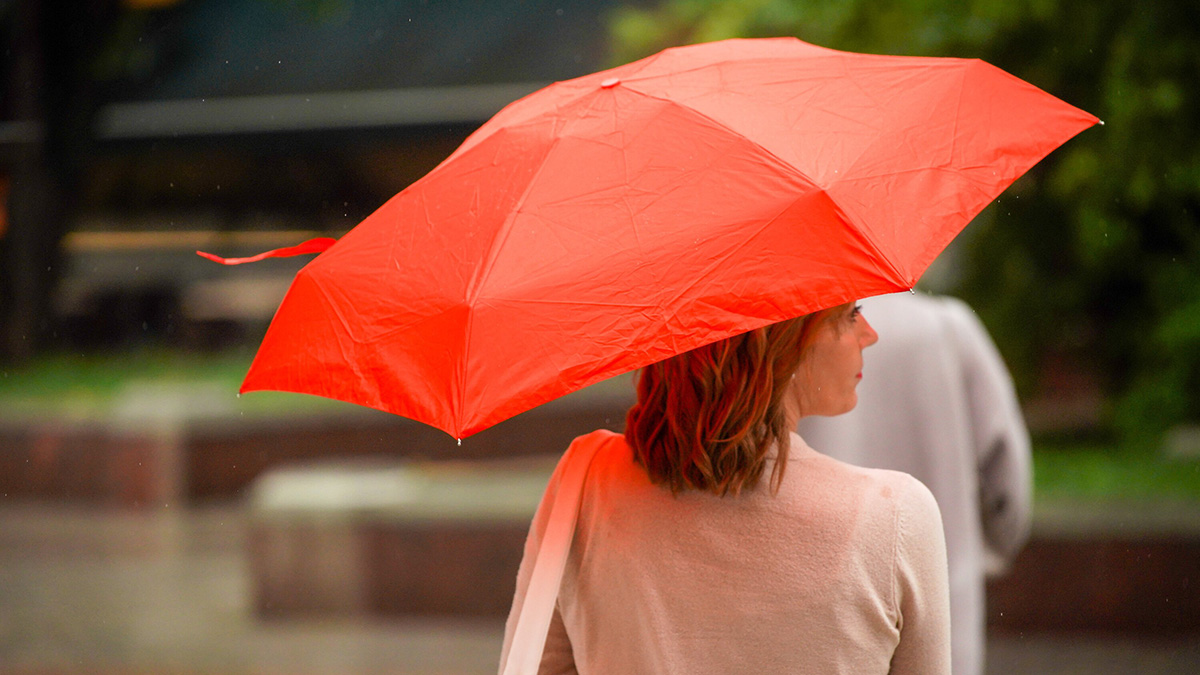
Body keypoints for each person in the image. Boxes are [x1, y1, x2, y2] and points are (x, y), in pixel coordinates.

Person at [500, 303, 951, 674]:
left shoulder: (587, 482)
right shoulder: (896, 518)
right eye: (850, 314)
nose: (868, 333)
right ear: (787, 341)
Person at [798, 292, 1033, 675]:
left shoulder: (794, 329)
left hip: (822, 600)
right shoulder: (948, 328)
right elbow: (1008, 476)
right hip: (942, 594)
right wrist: (985, 550)